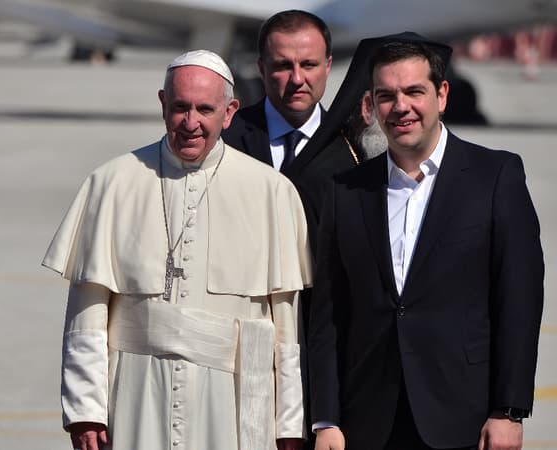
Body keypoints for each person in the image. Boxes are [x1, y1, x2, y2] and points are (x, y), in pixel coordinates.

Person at [43, 50, 312, 450]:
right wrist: (85, 409)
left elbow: (287, 326)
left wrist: (289, 425)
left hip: (235, 401)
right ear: (162, 104)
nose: (191, 123)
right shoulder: (112, 182)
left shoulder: (271, 192)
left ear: (229, 111)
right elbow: (87, 312)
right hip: (135, 391)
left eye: (205, 109)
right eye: (180, 108)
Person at [308, 34, 544, 450]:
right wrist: (325, 418)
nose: (400, 107)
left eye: (414, 91)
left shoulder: (495, 176)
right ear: (371, 104)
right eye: (386, 95)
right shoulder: (344, 191)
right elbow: (328, 314)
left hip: (464, 419)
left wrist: (508, 411)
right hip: (366, 423)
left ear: (442, 95)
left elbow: (519, 302)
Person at [222, 9, 361, 249]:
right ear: (261, 68)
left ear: (327, 66)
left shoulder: (353, 149)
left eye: (308, 65)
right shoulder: (226, 138)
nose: (297, 79)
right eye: (283, 65)